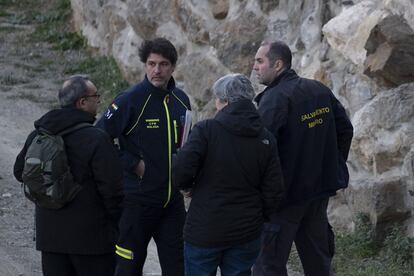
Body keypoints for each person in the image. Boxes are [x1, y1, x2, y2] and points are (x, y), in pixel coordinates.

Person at [252, 41, 354, 276]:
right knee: (318, 261)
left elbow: (261, 150)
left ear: (277, 65)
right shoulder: (318, 89)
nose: (255, 66)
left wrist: (264, 190)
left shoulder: (274, 100)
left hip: (285, 199)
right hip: (317, 192)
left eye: (260, 61)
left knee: (268, 265)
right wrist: (332, 166)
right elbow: (345, 130)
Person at [173, 73, 285, 276]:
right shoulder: (265, 138)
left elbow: (181, 170)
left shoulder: (206, 130)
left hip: (205, 229)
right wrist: (259, 216)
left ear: (223, 101)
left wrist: (188, 186)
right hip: (246, 231)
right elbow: (274, 190)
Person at [96, 37, 191, 276]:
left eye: (163, 64)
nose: (156, 70)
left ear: (173, 67)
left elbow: (187, 144)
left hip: (172, 203)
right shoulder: (130, 99)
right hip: (137, 201)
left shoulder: (182, 100)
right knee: (128, 267)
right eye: (151, 63)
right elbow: (98, 138)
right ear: (144, 65)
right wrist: (132, 164)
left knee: (179, 267)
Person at [13, 75, 124, 276]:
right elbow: (112, 191)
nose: (98, 101)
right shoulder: (97, 139)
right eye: (95, 97)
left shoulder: (39, 134)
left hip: (50, 239)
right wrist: (117, 225)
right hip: (92, 241)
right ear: (82, 102)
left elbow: (19, 172)